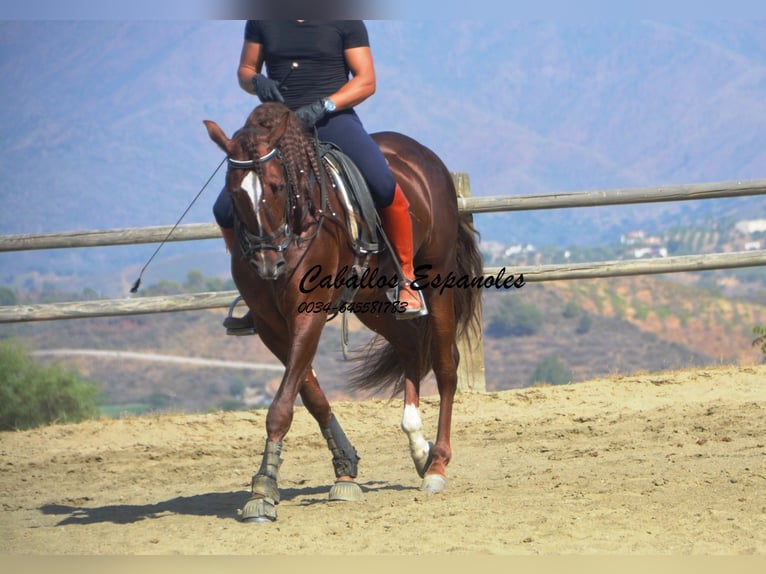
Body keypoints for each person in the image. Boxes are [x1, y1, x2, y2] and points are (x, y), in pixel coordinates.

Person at [214, 20, 425, 335]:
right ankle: (254, 291)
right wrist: (257, 82)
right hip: (278, 127)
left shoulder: (345, 20)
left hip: (332, 118)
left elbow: (366, 81)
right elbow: (245, 69)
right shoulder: (261, 19)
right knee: (224, 208)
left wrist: (325, 105)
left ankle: (406, 279)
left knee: (383, 184)